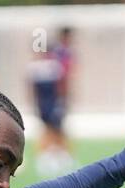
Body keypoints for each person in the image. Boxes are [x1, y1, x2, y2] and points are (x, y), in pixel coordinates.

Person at [30, 27, 76, 176]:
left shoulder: (54, 66)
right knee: (47, 129)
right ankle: (44, 157)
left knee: (58, 129)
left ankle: (64, 156)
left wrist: (62, 101)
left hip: (54, 102)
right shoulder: (35, 67)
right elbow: (32, 89)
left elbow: (61, 85)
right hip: (43, 103)